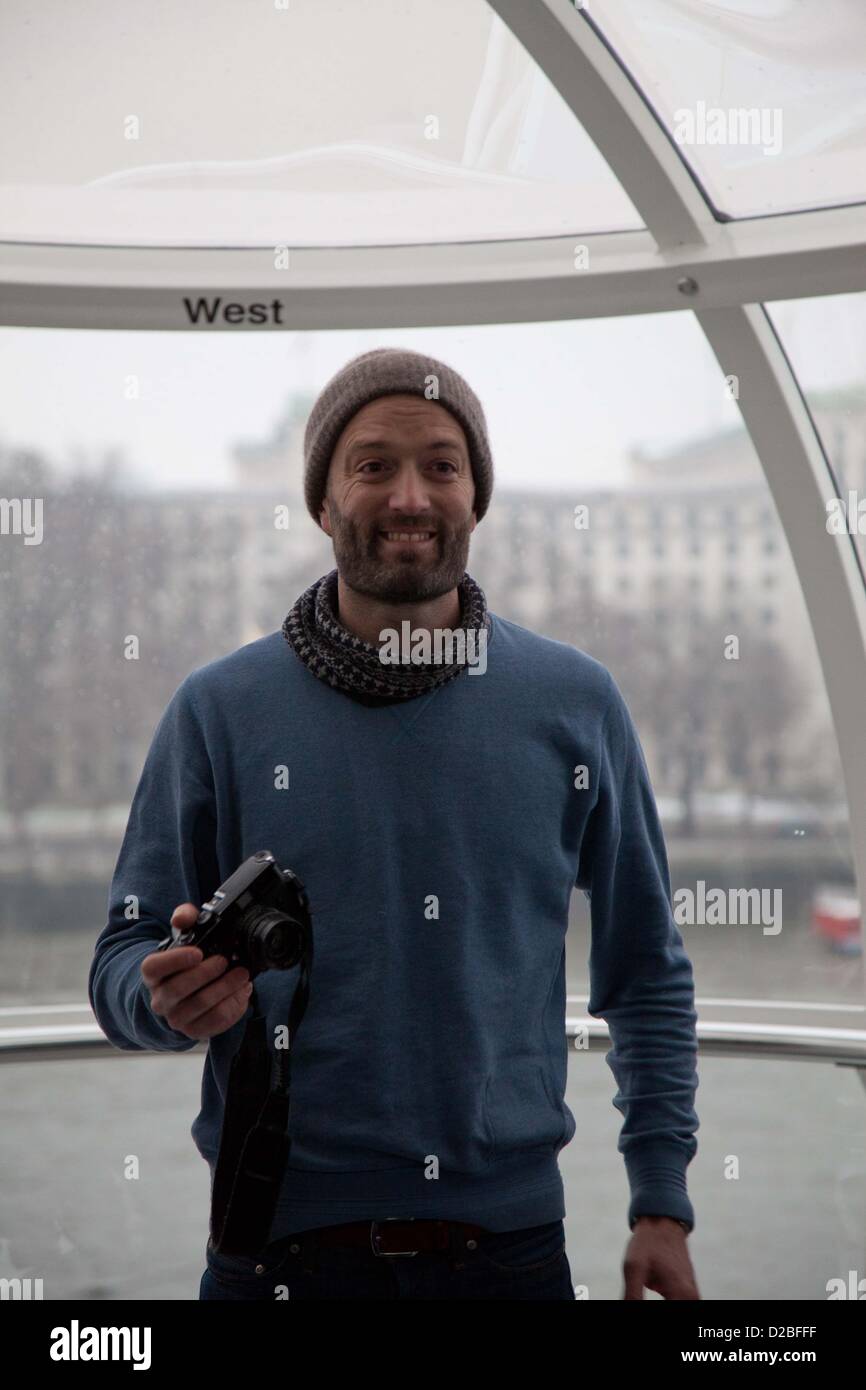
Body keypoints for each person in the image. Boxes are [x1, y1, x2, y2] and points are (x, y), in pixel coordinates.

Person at [88, 346, 700, 1301]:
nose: (411, 496)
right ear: (324, 503)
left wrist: (661, 1204)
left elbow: (647, 970)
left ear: (476, 497)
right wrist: (160, 1001)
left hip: (511, 1254)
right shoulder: (218, 710)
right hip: (271, 1253)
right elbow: (122, 957)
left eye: (442, 466)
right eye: (372, 465)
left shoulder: (576, 703)